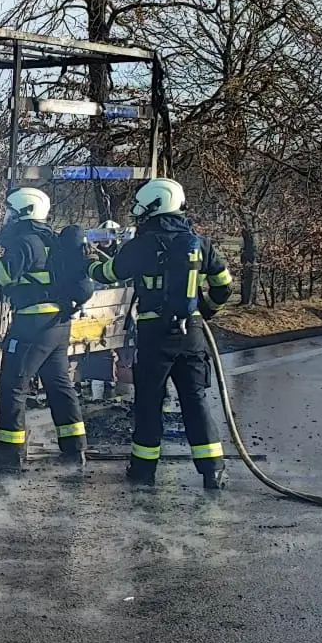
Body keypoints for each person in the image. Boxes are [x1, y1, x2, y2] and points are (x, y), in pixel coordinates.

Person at [90, 178, 236, 489]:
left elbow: (108, 273)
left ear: (154, 206)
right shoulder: (200, 243)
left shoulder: (142, 245)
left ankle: (143, 471)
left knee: (149, 401)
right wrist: (204, 311)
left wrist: (86, 263)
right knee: (195, 399)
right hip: (192, 332)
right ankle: (213, 471)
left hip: (155, 333)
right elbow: (225, 286)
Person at [0, 187, 90, 469]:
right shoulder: (49, 240)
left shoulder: (26, 241)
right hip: (58, 324)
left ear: (24, 211)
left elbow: (2, 275)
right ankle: (75, 449)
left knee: (12, 384)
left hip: (33, 324)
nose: (6, 217)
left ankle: (9, 453)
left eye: (10, 211)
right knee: (59, 384)